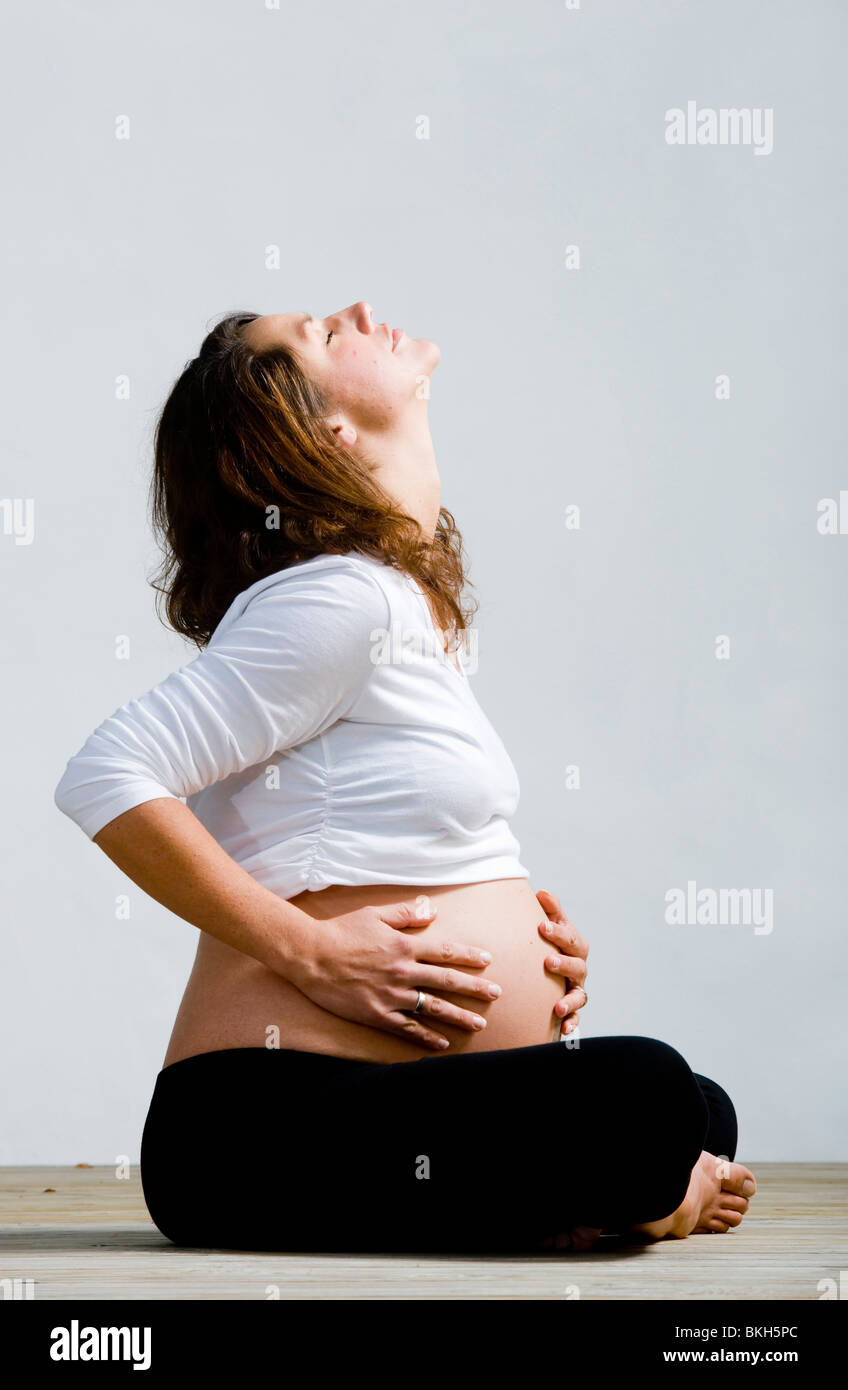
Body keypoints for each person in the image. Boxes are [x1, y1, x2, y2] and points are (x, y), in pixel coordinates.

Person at [54, 301, 756, 1254]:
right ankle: (623, 1198)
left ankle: (598, 1188)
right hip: (251, 1125)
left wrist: (527, 954)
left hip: (363, 1105)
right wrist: (311, 953)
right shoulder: (342, 598)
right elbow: (110, 771)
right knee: (647, 1098)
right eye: (324, 338)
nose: (355, 312)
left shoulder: (395, 608)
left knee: (698, 1111)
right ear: (320, 436)